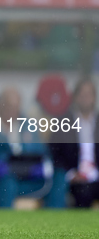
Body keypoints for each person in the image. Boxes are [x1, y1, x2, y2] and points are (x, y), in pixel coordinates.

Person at [50, 78, 99, 208]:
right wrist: (71, 174)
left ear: (94, 97)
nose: (85, 98)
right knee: (83, 193)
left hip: (96, 176)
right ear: (75, 97)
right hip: (75, 177)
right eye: (82, 95)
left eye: (89, 95)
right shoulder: (63, 122)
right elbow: (54, 154)